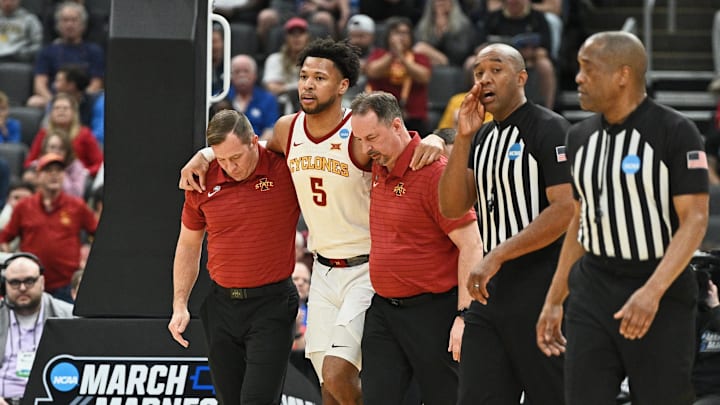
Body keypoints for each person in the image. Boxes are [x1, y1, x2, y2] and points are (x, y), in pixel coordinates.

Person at [179, 38, 444, 405]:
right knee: (327, 386)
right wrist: (207, 153)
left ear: (342, 86)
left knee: (339, 372)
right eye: (304, 76)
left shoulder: (359, 132)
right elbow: (246, 147)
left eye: (320, 77)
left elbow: (403, 147)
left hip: (366, 267)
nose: (307, 84)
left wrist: (436, 139)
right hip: (321, 270)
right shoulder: (288, 129)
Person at [536, 31, 709, 405]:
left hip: (659, 288)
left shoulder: (676, 131)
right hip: (593, 287)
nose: (578, 78)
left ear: (622, 75)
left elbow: (695, 220)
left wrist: (652, 292)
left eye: (588, 68)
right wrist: (554, 300)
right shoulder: (580, 137)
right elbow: (579, 222)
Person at [438, 43, 573, 404]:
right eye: (478, 72)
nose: (484, 79)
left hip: (541, 286)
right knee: (478, 396)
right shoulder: (481, 137)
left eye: (495, 70)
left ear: (521, 77)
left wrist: (497, 255)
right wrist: (463, 137)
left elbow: (564, 209)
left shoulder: (549, 127)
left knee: (552, 395)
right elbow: (451, 206)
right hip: (490, 294)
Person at [351, 91, 482, 404]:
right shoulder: (380, 163)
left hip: (433, 312)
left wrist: (465, 316)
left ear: (397, 126)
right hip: (384, 310)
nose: (367, 149)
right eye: (360, 139)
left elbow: (472, 245)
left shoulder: (435, 172)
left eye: (372, 137)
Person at [168, 109, 300, 404]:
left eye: (236, 158)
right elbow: (189, 245)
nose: (230, 167)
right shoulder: (201, 180)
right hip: (221, 306)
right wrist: (180, 303)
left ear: (254, 141)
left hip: (271, 305)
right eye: (222, 158)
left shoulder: (284, 169)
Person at [0, 152, 97, 303]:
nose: (54, 175)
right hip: (31, 285)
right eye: (48, 170)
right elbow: (4, 237)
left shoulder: (77, 206)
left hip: (66, 286)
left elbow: (99, 233)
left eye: (58, 171)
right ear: (38, 176)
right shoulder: (24, 207)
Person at [0, 252, 74, 403]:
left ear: (42, 282)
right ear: (4, 285)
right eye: (14, 282)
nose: (22, 288)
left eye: (29, 281)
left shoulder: (68, 316)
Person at [27, 1, 104, 108]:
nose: (69, 24)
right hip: (54, 99)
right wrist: (56, 103)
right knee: (34, 101)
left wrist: (79, 100)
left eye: (74, 20)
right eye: (65, 20)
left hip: (83, 101)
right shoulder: (47, 51)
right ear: (58, 25)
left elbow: (96, 83)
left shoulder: (94, 51)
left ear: (83, 25)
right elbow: (39, 84)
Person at [366, 16, 432, 136]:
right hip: (381, 115)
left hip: (413, 117)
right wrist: (393, 54)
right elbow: (372, 72)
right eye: (397, 33)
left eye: (405, 33)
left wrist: (401, 56)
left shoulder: (419, 57)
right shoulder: (379, 54)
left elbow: (424, 77)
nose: (401, 37)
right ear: (388, 36)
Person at [24, 93, 103, 177]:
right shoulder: (43, 133)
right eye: (57, 108)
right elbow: (29, 163)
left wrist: (85, 173)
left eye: (65, 108)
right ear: (50, 113)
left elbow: (99, 164)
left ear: (73, 112)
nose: (61, 111)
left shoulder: (84, 134)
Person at [263, 17, 311, 115]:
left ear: (307, 37)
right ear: (286, 37)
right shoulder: (274, 59)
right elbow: (271, 88)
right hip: (281, 106)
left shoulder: (315, 61)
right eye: (292, 34)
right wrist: (297, 87)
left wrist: (284, 87)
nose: (296, 38)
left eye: (300, 33)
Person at [226, 54, 279, 140]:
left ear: (255, 75)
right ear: (230, 76)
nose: (242, 75)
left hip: (258, 147)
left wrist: (255, 149)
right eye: (237, 72)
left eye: (246, 71)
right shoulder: (222, 98)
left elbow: (270, 129)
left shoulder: (268, 99)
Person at [413, 0, 476, 66]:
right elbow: (417, 46)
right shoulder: (424, 25)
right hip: (429, 66)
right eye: (437, 1)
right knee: (420, 48)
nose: (440, 2)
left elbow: (461, 53)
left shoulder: (463, 24)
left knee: (422, 47)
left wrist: (445, 32)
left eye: (444, 1)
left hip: (455, 64)